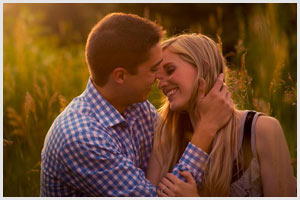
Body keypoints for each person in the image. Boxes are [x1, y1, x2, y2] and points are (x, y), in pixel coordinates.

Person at [40, 13, 233, 196]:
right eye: (153, 69)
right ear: (120, 76)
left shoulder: (135, 106)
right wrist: (206, 127)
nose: (159, 78)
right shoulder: (81, 138)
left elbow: (168, 163)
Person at [146, 33, 297, 197]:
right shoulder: (165, 138)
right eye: (158, 79)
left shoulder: (262, 130)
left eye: (170, 70)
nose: (160, 84)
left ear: (204, 67)